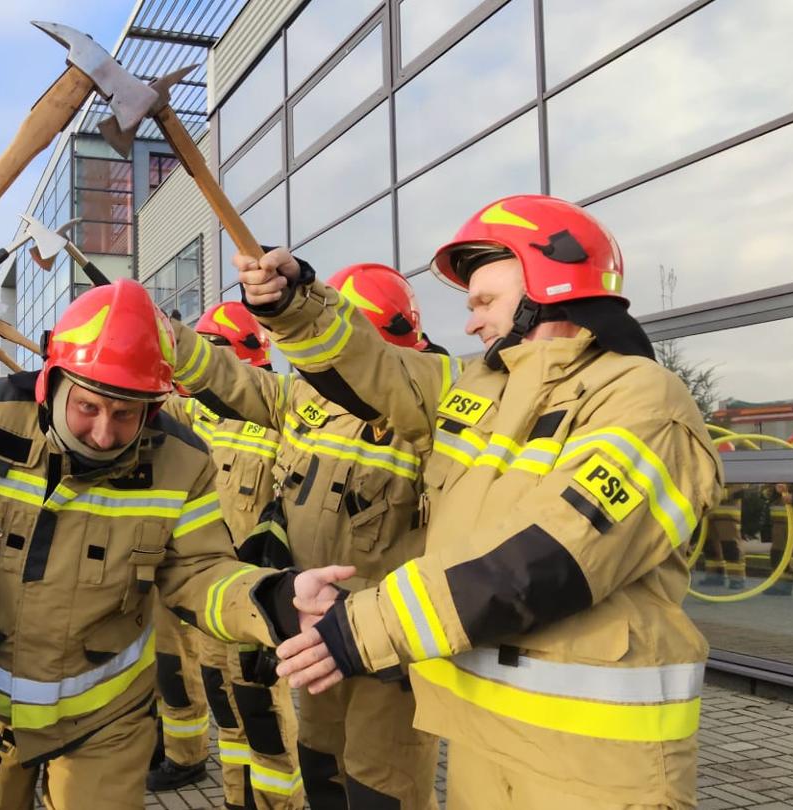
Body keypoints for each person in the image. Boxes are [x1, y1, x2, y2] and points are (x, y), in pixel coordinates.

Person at [256, 194, 724, 808]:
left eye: (483, 302)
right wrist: (295, 304)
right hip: (478, 740)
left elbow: (538, 563)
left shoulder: (645, 402)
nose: (471, 324)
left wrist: (364, 627)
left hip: (592, 765)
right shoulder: (479, 387)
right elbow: (373, 368)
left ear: (548, 289)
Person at [0, 280, 328, 809]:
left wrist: (272, 600)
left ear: (153, 407)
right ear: (52, 382)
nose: (104, 434)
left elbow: (199, 571)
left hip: (108, 723)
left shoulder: (182, 462)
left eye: (126, 413)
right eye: (88, 407)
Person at [165, 282, 453, 809]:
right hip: (317, 632)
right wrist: (170, 339)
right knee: (322, 766)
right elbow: (231, 379)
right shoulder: (305, 397)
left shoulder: (434, 418)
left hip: (387, 649)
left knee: (382, 789)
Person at [148, 301, 302, 808]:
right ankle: (240, 799)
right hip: (214, 597)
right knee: (227, 707)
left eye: (210, 352)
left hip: (257, 597)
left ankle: (280, 802)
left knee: (263, 714)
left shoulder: (280, 424)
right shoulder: (197, 412)